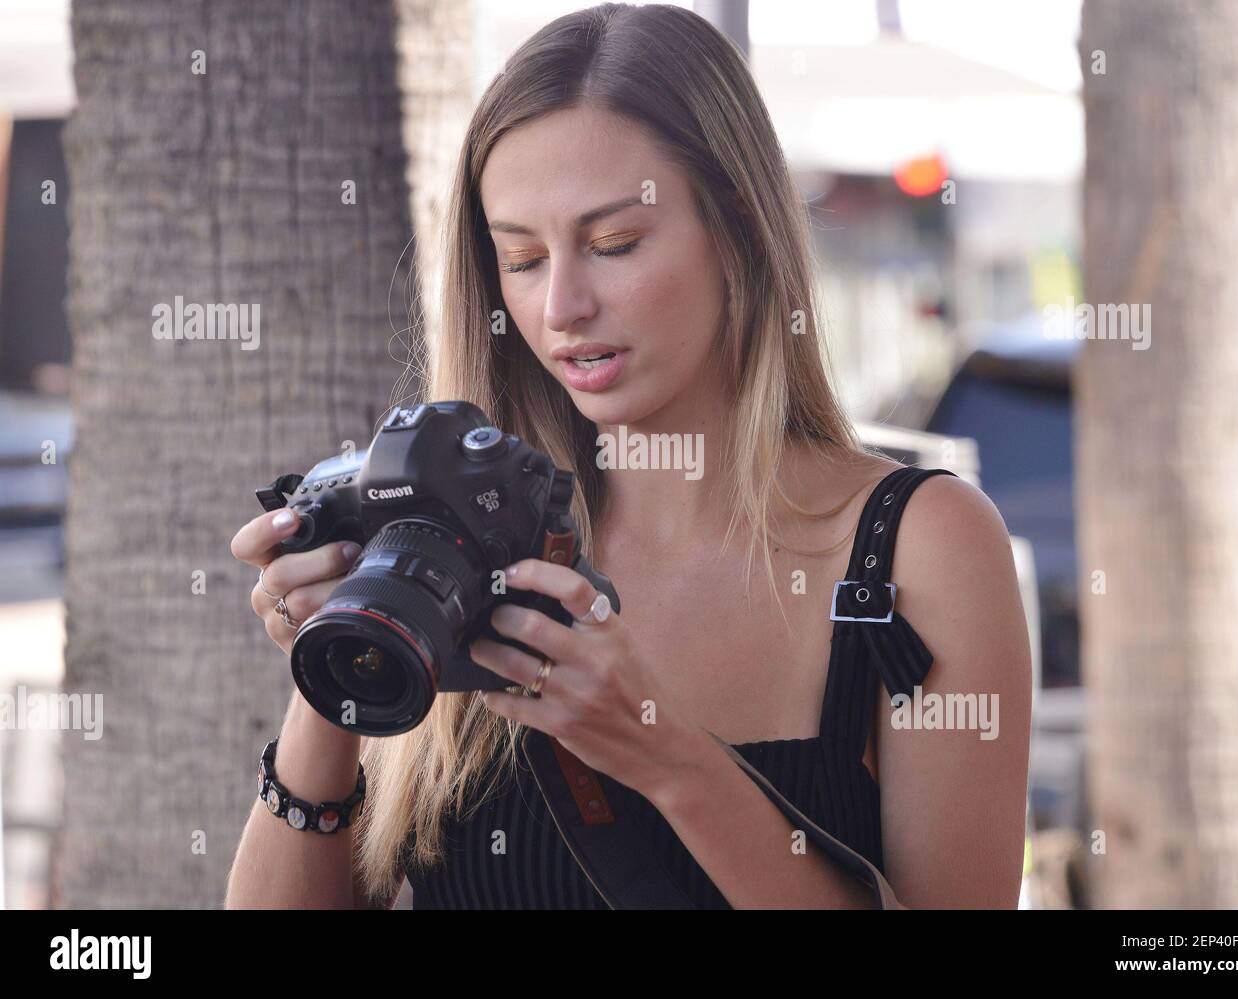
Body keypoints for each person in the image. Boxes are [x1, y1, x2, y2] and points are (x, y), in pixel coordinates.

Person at [225, 2, 1031, 910]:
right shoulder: (454, 540)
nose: (563, 305)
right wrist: (338, 665)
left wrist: (667, 758)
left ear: (736, 229)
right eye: (521, 259)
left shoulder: (917, 549)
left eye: (613, 244)